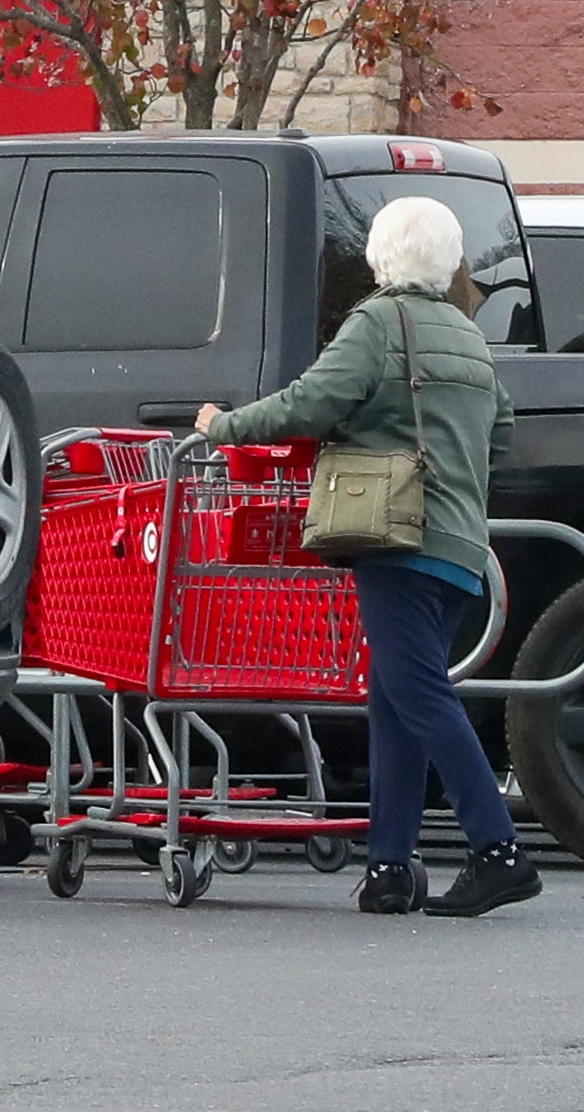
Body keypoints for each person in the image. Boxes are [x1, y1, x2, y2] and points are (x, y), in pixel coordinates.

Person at [200, 195, 540, 918]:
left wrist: (223, 424)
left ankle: (498, 847)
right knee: (393, 698)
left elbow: (309, 402)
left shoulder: (377, 322)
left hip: (397, 536)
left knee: (417, 694)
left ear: (381, 256)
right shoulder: (468, 334)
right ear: (450, 260)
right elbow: (501, 431)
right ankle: (389, 864)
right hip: (457, 545)